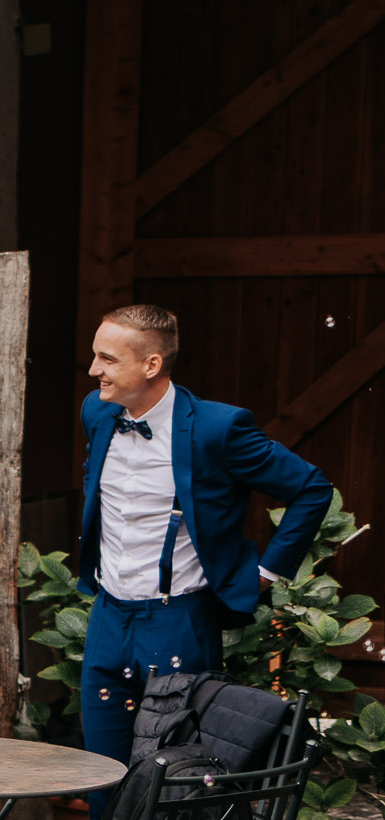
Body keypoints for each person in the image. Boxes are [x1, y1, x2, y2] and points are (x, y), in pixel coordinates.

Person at [77, 305, 330, 780]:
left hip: (178, 619)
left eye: (108, 359)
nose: (94, 371)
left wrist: (265, 573)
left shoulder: (218, 428)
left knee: (171, 780)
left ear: (151, 365)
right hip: (108, 616)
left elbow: (311, 489)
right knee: (101, 772)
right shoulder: (97, 411)